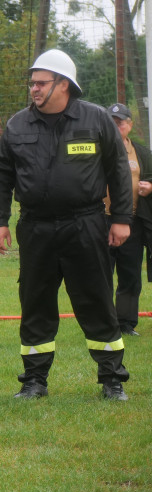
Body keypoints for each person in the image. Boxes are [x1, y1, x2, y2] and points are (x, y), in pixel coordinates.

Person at [0, 49, 131, 401]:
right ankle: (34, 381)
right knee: (35, 302)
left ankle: (112, 380)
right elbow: (1, 177)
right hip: (35, 228)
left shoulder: (96, 120)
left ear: (63, 84)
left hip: (86, 224)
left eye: (41, 83)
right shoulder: (17, 124)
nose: (33, 89)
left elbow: (119, 171)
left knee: (96, 300)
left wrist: (123, 218)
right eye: (32, 83)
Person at [105, 103, 152, 337]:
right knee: (101, 274)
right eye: (111, 123)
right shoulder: (96, 150)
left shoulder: (142, 153)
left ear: (129, 126)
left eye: (120, 123)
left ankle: (125, 323)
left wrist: (150, 186)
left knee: (130, 275)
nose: (116, 127)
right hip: (101, 221)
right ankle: (103, 322)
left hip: (132, 222)